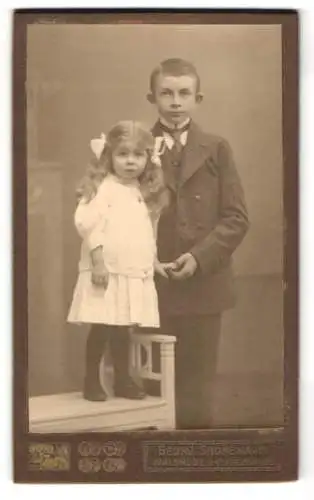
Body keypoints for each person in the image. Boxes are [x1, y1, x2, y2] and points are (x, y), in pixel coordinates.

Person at [147, 58, 250, 429]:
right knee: (151, 389)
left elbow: (236, 217)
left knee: (196, 390)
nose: (176, 102)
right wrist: (148, 260)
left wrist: (199, 257)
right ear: (152, 97)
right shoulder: (134, 148)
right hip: (150, 286)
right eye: (167, 93)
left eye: (184, 93)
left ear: (198, 98)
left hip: (205, 285)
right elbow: (117, 216)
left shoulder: (217, 148)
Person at [67, 120, 168, 402]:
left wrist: (153, 262)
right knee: (101, 326)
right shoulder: (104, 188)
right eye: (123, 155)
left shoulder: (140, 190)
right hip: (107, 270)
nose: (130, 161)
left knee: (123, 328)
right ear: (109, 156)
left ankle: (123, 381)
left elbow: (145, 232)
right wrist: (98, 262)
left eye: (138, 155)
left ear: (148, 158)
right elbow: (87, 224)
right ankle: (91, 381)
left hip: (131, 270)